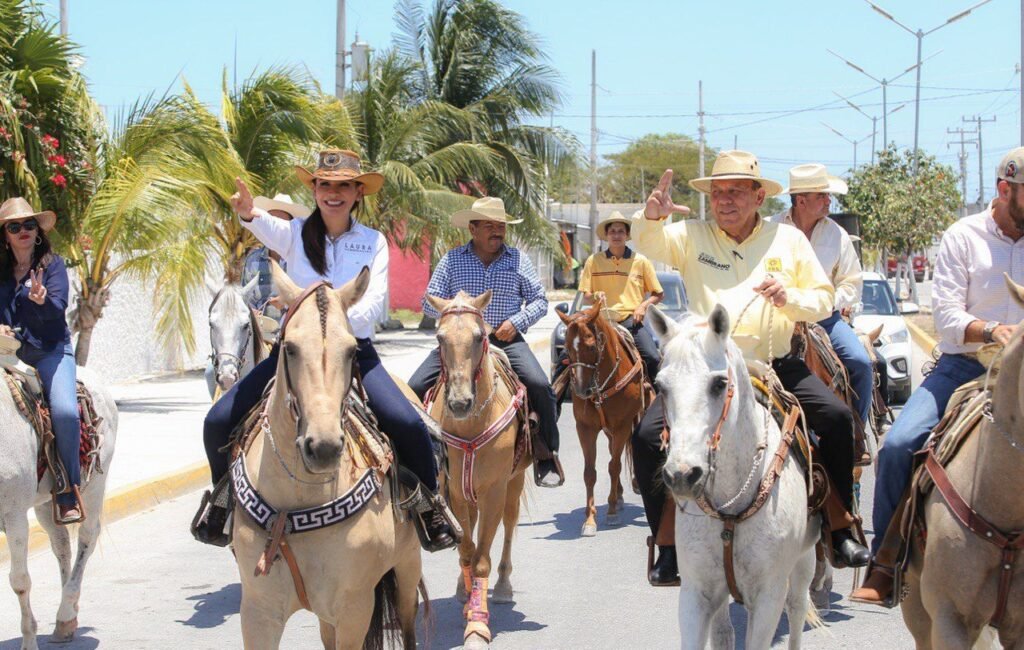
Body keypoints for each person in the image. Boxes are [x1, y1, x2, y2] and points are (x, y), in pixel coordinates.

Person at [194, 150, 456, 551]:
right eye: (325, 185)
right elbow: (263, 225)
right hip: (293, 354)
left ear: (357, 193)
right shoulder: (295, 233)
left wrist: (335, 322)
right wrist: (247, 213)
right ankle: (222, 502)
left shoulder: (373, 242)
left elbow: (375, 299)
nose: (333, 193)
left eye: (343, 186)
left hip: (353, 352)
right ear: (314, 189)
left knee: (409, 425)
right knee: (217, 421)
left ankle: (429, 507)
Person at [631, 150, 870, 586]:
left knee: (836, 419)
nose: (725, 200)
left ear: (759, 196)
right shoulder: (690, 235)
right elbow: (647, 244)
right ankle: (667, 543)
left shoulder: (789, 242)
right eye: (718, 192)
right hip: (707, 369)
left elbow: (822, 297)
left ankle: (839, 528)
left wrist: (788, 298)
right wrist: (650, 217)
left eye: (736, 191)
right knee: (647, 437)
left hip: (772, 364)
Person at [851, 147, 1024, 605]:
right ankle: (885, 563)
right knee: (899, 444)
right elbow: (946, 318)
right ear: (1006, 190)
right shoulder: (962, 236)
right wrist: (991, 329)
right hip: (965, 366)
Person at [408, 197, 564, 488]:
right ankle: (418, 458)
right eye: (490, 226)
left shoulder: (518, 259)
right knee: (414, 387)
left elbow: (540, 300)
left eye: (501, 226)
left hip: (505, 340)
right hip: (460, 344)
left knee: (540, 385)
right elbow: (428, 302)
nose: (498, 231)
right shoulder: (453, 259)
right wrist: (455, 310)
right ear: (473, 229)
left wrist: (515, 323)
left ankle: (547, 453)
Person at [771, 164, 873, 436]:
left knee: (861, 363)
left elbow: (851, 283)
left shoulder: (837, 235)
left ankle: (856, 435)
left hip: (824, 321)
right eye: (822, 196)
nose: (829, 201)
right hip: (775, 322)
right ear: (801, 201)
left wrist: (827, 301)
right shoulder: (769, 229)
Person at [0, 197, 82, 524]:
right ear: (5, 234)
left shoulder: (53, 266)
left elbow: (58, 307)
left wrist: (43, 299)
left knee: (64, 411)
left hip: (51, 352)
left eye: (29, 224)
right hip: (10, 353)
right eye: (14, 226)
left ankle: (68, 489)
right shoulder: (1, 273)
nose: (23, 231)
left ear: (37, 231)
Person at [552, 211, 664, 388]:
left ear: (627, 235)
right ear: (606, 235)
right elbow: (586, 296)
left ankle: (660, 407)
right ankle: (551, 407)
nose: (616, 235)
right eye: (612, 231)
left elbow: (658, 294)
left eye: (620, 231)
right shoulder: (593, 261)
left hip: (629, 320)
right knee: (565, 359)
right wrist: (596, 296)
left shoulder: (641, 261)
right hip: (597, 320)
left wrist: (643, 306)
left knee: (652, 357)